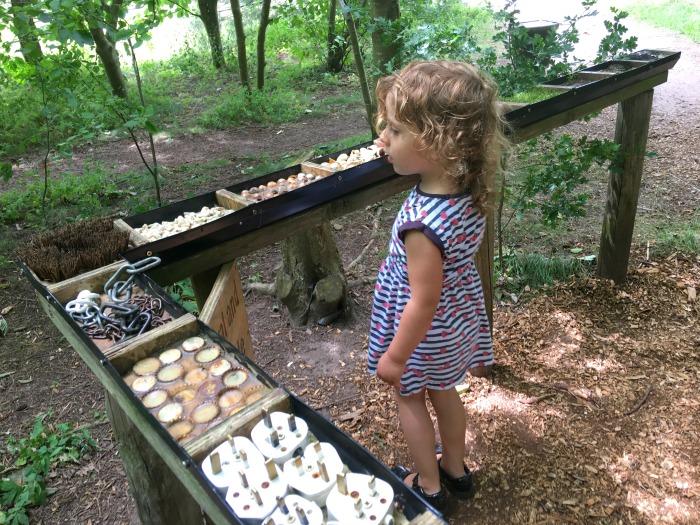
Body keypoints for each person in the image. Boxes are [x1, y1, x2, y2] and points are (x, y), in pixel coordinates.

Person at [367, 60, 507, 512]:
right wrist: (393, 141)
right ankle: (456, 469)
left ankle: (427, 486)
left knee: (411, 397)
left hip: (420, 333)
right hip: (454, 326)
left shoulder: (420, 226)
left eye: (395, 131)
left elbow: (422, 301)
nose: (383, 139)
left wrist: (395, 355)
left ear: (437, 143)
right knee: (445, 391)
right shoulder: (466, 187)